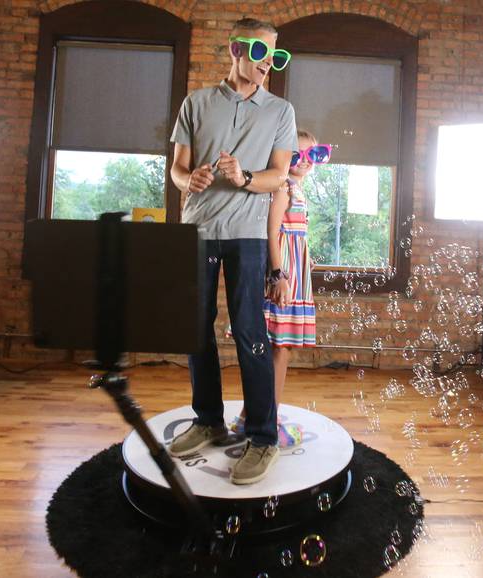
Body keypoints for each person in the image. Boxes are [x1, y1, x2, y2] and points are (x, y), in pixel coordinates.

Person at [167, 17, 297, 485]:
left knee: (248, 330)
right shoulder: (197, 103)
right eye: (262, 54)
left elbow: (278, 175)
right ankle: (208, 421)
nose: (269, 65)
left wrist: (243, 178)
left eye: (276, 57)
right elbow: (178, 169)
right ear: (235, 49)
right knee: (194, 328)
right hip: (198, 228)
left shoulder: (280, 111)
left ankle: (262, 438)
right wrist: (191, 179)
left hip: (247, 232)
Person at [230, 130, 330, 445]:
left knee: (277, 346)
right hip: (282, 276)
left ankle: (251, 415)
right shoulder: (283, 188)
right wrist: (279, 274)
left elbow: (295, 234)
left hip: (294, 273)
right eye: (297, 156)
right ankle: (267, 419)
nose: (305, 163)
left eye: (313, 155)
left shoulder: (296, 189)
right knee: (279, 347)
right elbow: (273, 233)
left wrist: (305, 262)